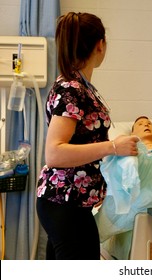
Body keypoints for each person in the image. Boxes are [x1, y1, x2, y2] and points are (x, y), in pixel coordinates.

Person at [35, 12, 139, 260]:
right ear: (100, 45)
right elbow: (55, 153)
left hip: (72, 203)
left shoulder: (80, 87)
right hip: (64, 201)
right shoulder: (71, 89)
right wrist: (113, 146)